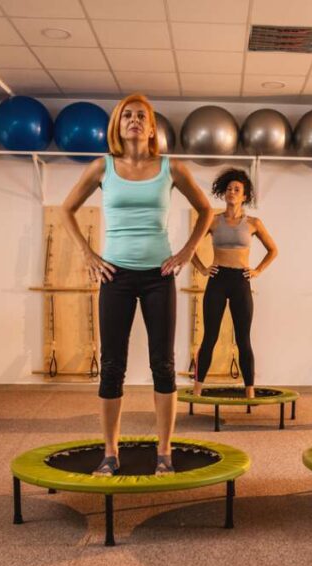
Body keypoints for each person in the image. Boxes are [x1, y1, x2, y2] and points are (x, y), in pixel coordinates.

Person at [62, 93, 212, 476]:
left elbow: (206, 210)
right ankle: (110, 452)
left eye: (140, 116)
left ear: (151, 127)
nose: (133, 120)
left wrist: (186, 252)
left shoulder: (170, 167)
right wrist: (88, 254)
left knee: (163, 365)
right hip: (116, 276)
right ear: (117, 124)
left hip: (158, 277)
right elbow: (66, 210)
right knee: (112, 366)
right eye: (126, 115)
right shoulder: (102, 168)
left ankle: (164, 452)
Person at [191, 168, 278, 399]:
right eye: (229, 189)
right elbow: (190, 247)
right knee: (210, 337)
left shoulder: (253, 223)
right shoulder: (213, 220)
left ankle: (249, 391)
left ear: (244, 196)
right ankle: (197, 390)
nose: (231, 192)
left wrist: (258, 270)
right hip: (217, 280)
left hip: (241, 281)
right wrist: (201, 268)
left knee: (243, 339)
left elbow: (273, 250)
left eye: (236, 189)